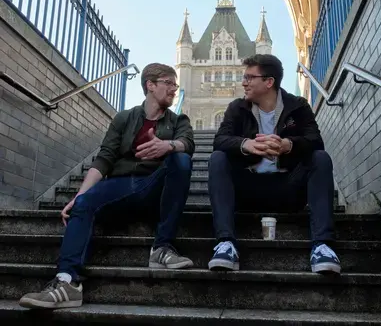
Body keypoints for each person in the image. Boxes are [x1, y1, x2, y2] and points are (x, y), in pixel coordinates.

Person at [19, 63, 195, 309]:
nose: (174, 88)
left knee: (181, 159)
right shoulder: (124, 118)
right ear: (150, 85)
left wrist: (168, 146)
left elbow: (188, 143)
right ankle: (67, 282)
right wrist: (79, 195)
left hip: (153, 185)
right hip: (120, 185)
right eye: (168, 83)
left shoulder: (178, 120)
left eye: (175, 84)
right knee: (83, 203)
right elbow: (104, 158)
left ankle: (162, 247)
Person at [207, 54, 340, 275]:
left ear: (269, 82)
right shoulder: (237, 108)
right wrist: (246, 144)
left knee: (320, 158)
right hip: (248, 190)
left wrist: (288, 145)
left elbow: (316, 141)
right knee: (218, 158)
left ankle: (323, 246)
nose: (243, 82)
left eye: (249, 77)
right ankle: (225, 244)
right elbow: (219, 140)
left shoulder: (297, 106)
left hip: (288, 189)